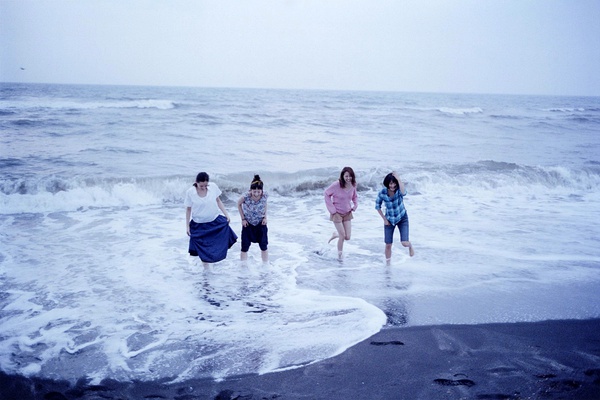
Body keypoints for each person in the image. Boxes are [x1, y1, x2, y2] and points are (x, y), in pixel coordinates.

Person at [185, 172, 237, 267]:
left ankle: (215, 267)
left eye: (206, 185)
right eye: (201, 186)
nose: (204, 187)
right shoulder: (190, 192)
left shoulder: (213, 187)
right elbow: (188, 209)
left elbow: (218, 201)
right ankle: (206, 270)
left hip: (214, 222)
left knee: (216, 245)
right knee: (203, 249)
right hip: (199, 225)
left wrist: (226, 214)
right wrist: (187, 226)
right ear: (196, 182)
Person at [375, 171, 415, 263]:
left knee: (404, 243)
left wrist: (398, 179)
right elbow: (377, 206)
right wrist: (384, 219)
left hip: (402, 218)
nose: (392, 186)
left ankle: (410, 246)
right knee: (388, 244)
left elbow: (404, 193)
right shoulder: (382, 193)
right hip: (389, 220)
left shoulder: (399, 190)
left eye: (394, 184)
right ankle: (388, 264)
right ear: (387, 184)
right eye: (390, 184)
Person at [324, 166, 358, 259]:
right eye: (346, 176)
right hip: (337, 213)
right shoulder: (336, 185)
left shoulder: (353, 185)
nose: (348, 178)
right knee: (342, 236)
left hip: (347, 213)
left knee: (347, 237)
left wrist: (355, 205)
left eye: (350, 176)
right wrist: (332, 210)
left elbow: (355, 197)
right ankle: (340, 257)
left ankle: (336, 234)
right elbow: (326, 194)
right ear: (342, 176)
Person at [237, 174, 269, 263]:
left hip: (261, 223)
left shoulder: (265, 195)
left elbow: (265, 204)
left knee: (264, 246)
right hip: (248, 224)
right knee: (244, 247)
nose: (256, 194)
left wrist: (265, 217)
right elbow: (238, 204)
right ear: (250, 190)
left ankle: (265, 265)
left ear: (262, 191)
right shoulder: (246, 196)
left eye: (259, 191)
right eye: (254, 191)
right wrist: (243, 219)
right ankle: (243, 266)